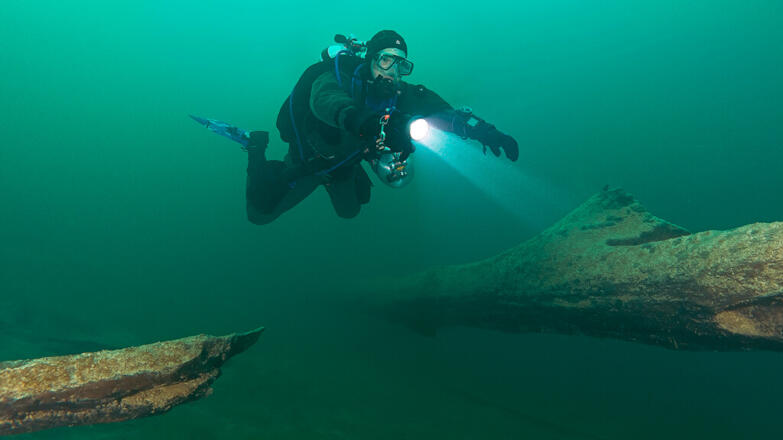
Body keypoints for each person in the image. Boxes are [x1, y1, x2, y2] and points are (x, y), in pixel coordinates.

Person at [245, 30, 519, 225]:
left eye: (401, 64)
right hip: (310, 160)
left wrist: (480, 130)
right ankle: (256, 151)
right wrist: (370, 122)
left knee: (349, 213)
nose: (392, 71)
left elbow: (442, 112)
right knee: (259, 215)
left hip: (345, 164)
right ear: (371, 58)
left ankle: (340, 178)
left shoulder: (399, 92)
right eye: (386, 59)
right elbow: (325, 101)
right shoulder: (338, 78)